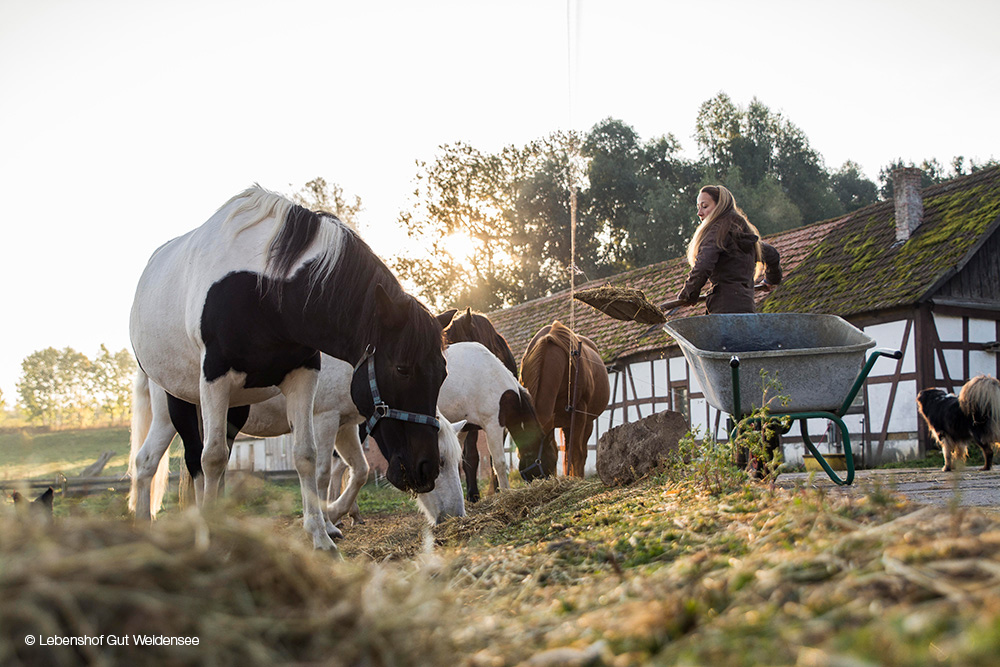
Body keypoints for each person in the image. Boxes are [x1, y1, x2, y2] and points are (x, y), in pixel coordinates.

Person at [676, 185, 782, 314]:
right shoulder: (744, 234)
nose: (699, 213)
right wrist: (772, 280)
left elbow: (703, 266)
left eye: (704, 206)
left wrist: (688, 294)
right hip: (747, 308)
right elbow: (772, 255)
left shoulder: (717, 232)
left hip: (723, 310)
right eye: (698, 208)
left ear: (720, 206)